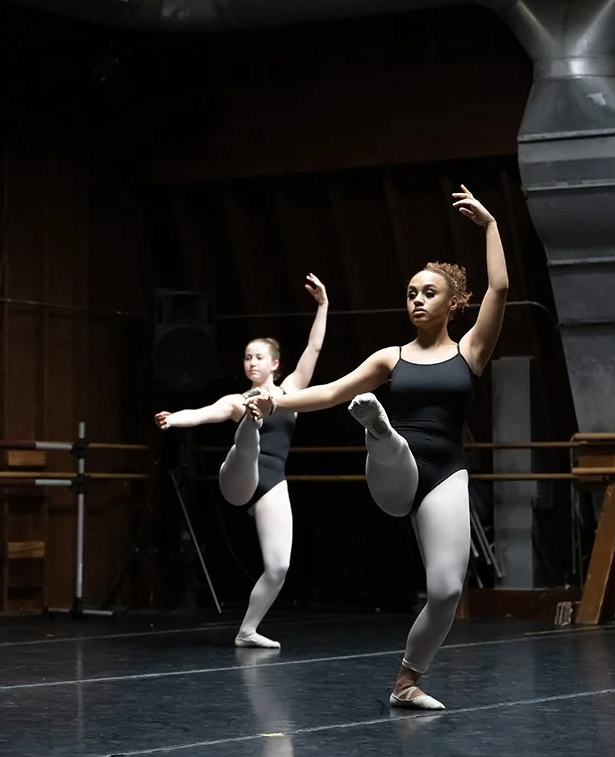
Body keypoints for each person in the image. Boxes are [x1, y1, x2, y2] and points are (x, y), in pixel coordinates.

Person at [247, 185, 507, 711]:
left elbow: (500, 288)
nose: (416, 299)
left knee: (446, 593)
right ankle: (379, 428)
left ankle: (406, 682)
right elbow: (329, 391)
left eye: (427, 293)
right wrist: (277, 402)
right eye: (411, 292)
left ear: (453, 303)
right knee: (386, 434)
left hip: (446, 472)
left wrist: (491, 226)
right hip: (394, 471)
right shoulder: (390, 357)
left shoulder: (471, 351)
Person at [154, 274, 328, 649]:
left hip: (272, 484)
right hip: (238, 477)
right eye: (247, 357)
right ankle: (252, 422)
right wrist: (174, 418)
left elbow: (313, 349)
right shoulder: (236, 399)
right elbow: (202, 413)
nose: (251, 362)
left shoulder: (292, 391)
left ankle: (247, 630)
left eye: (259, 357)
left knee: (279, 566)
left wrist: (323, 305)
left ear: (275, 363)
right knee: (246, 437)